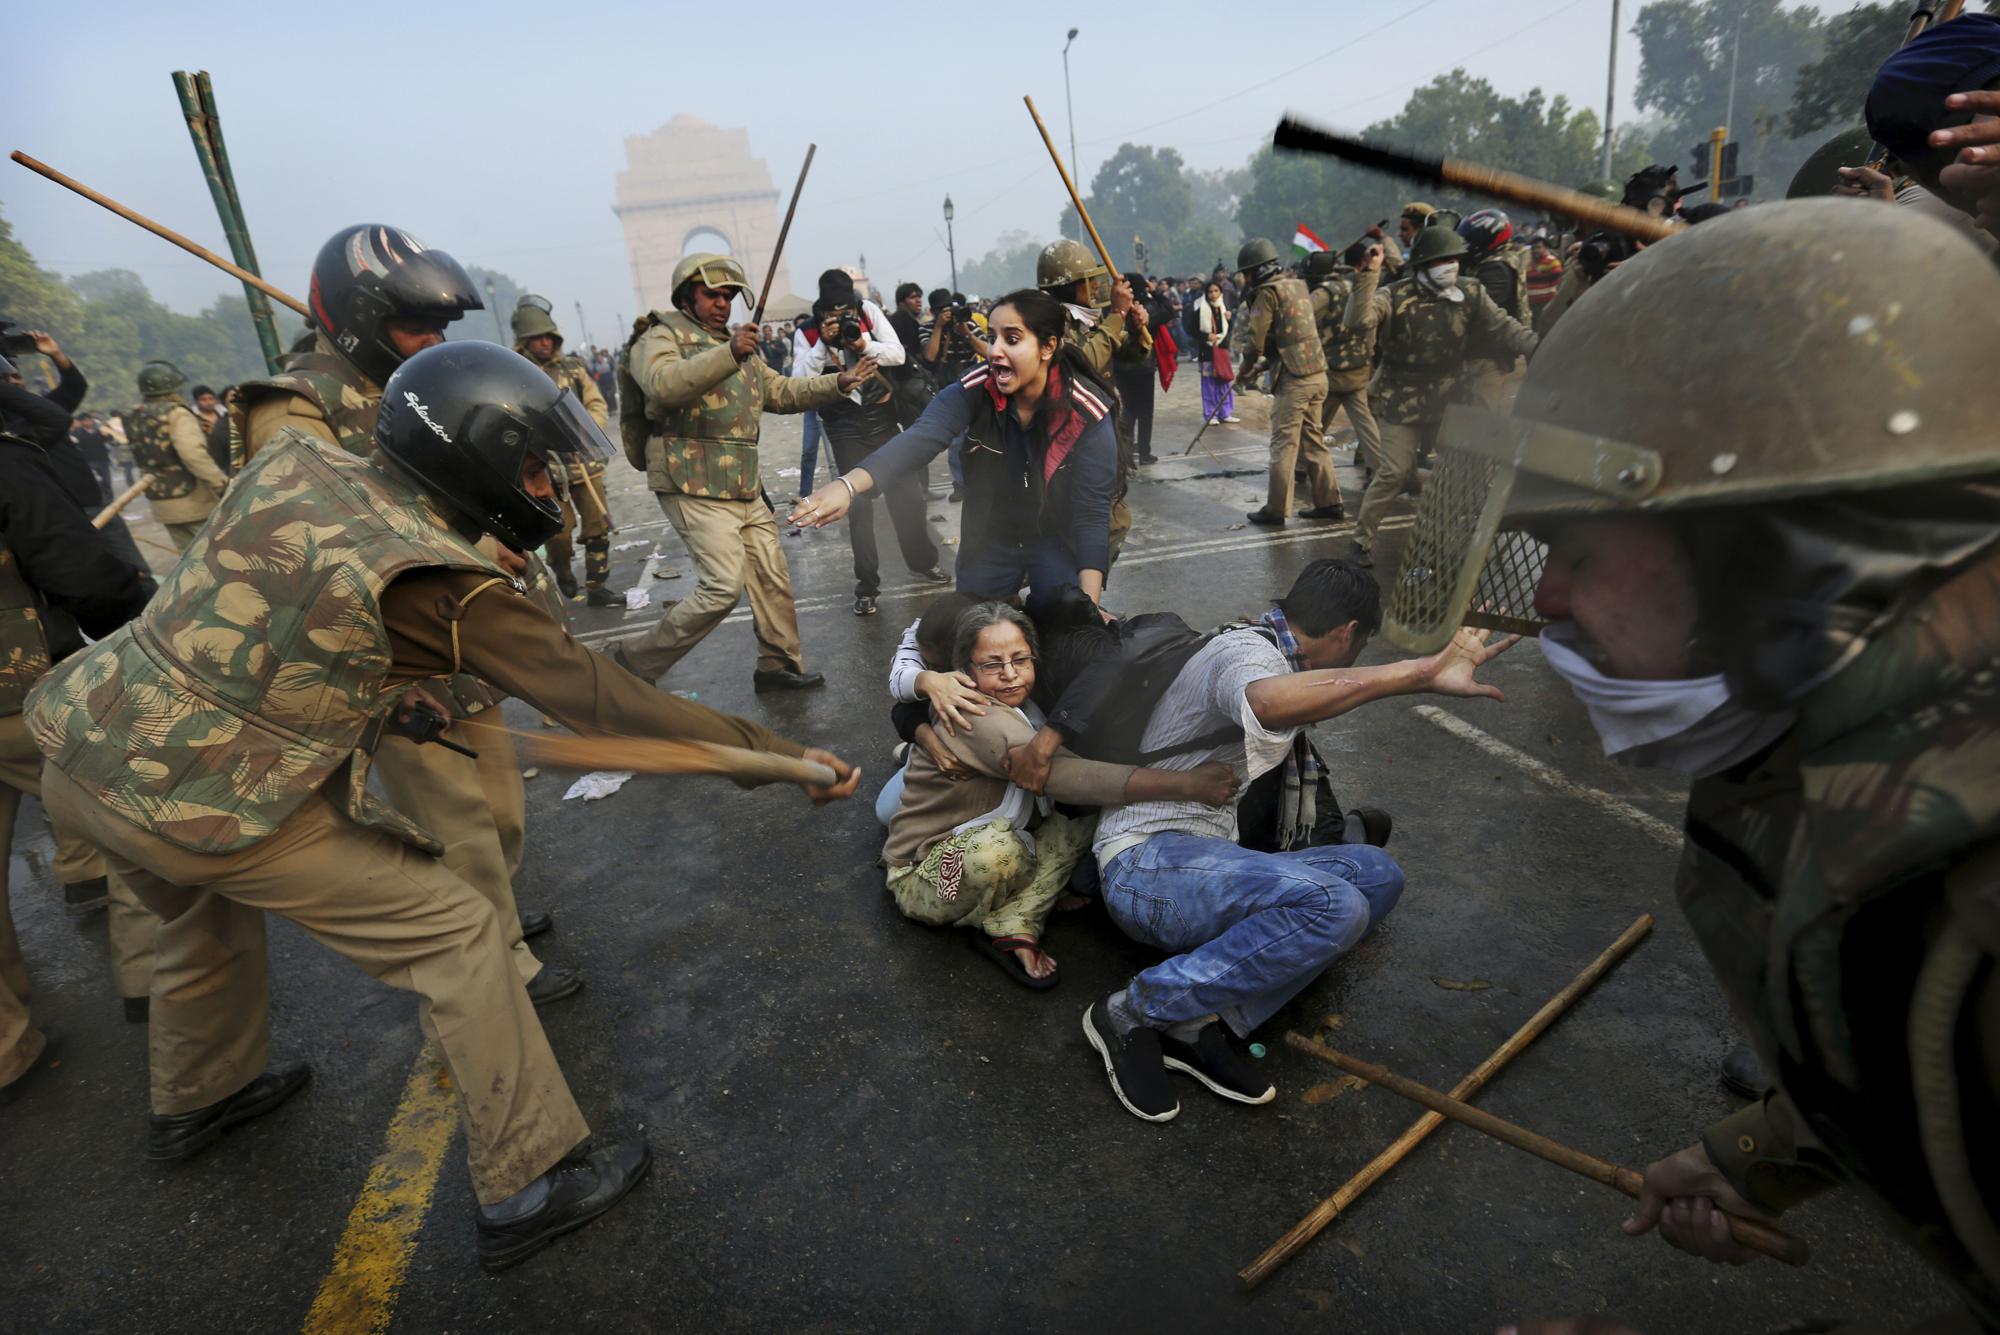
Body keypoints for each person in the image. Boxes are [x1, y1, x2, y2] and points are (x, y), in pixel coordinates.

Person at [27, 342, 861, 1269]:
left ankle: (199, 1091)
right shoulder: (437, 578)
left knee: (196, 914)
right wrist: (772, 757)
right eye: (535, 462)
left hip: (88, 745)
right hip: (203, 792)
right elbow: (605, 702)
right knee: (459, 933)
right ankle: (529, 1180)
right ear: (477, 456)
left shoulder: (298, 460)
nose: (546, 481)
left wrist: (384, 688)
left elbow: (272, 614)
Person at [1407, 200, 2000, 1334]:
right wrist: (1761, 1155)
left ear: (1776, 551)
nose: (1546, 601)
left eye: (1578, 550)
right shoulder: (1831, 742)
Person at [230, 224, 573, 1004]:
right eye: (416, 324)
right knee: (457, 822)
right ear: (356, 315)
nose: (433, 340)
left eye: (442, 326)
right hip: (393, 653)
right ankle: (501, 966)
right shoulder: (296, 409)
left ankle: (499, 915)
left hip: (466, 632)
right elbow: (298, 546)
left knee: (501, 810)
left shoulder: (412, 381)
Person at [1080, 559, 1510, 1122]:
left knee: (1378, 875)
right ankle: (1134, 1011)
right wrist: (1419, 673)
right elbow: (1267, 702)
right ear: (1346, 633)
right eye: (1359, 646)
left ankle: (1200, 1018)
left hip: (1203, 859)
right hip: (1145, 866)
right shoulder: (1246, 652)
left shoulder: (1274, 650)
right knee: (1334, 905)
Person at [884, 601, 1237, 988]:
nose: (1010, 675)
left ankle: (1012, 915)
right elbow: (1062, 773)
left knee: (1083, 826)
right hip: (924, 873)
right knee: (995, 854)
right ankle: (989, 912)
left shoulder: (1027, 704)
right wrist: (1186, 784)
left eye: (1020, 659)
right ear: (965, 670)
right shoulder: (972, 714)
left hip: (1004, 833)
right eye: (991, 665)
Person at [610, 254, 874, 690]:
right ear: (685, 295)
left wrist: (837, 384)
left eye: (729, 295)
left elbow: (781, 392)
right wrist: (729, 352)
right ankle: (631, 662)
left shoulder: (739, 345)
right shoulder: (660, 337)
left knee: (772, 577)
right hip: (690, 478)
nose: (722, 303)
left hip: (743, 482)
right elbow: (663, 384)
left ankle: (778, 664)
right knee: (722, 587)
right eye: (711, 294)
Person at [2, 426, 160, 1088]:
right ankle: (157, 981)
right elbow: (77, 566)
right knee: (131, 811)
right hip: (19, 689)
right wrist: (141, 610)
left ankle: (6, 1047)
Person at [789, 287, 1117, 604]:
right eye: (993, 338)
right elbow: (919, 438)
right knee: (973, 633)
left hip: (1055, 537)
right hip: (990, 538)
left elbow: (1091, 514)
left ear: (1047, 347)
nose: (993, 351)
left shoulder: (1085, 410)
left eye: (1011, 340)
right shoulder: (977, 387)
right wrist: (847, 485)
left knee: (1067, 624)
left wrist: (1087, 610)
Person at [1343, 224, 1537, 569]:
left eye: (1454, 259)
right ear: (1422, 264)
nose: (1450, 266)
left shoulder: (1470, 292)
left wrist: (1539, 348)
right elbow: (1358, 321)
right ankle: (1361, 540)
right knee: (1394, 472)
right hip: (1401, 397)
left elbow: (1504, 326)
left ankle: (1451, 544)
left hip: (1448, 396)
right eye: (1441, 260)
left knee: (1461, 472)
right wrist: (1368, 275)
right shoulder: (1395, 294)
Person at [797, 269, 947, 615]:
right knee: (857, 506)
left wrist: (863, 343)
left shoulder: (867, 312)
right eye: (833, 314)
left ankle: (923, 561)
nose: (841, 317)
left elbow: (896, 353)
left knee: (908, 495)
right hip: (843, 424)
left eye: (845, 310)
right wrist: (823, 342)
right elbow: (798, 379)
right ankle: (867, 585)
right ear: (821, 311)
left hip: (881, 417)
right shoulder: (807, 331)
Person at [512, 294, 617, 606]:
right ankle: (564, 572)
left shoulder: (574, 368)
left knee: (598, 527)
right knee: (559, 534)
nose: (544, 343)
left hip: (584, 462)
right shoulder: (516, 373)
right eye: (537, 338)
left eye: (548, 337)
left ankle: (597, 586)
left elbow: (595, 403)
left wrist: (585, 430)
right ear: (525, 341)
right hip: (547, 469)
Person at [1231, 237, 1339, 528]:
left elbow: (1255, 341)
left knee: (1283, 443)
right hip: (1317, 373)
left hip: (1295, 380)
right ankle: (1330, 502)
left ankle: (1276, 509)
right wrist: (1262, 367)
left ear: (1254, 271)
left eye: (1246, 273)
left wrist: (1246, 367)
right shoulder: (1298, 285)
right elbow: (1293, 337)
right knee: (1313, 439)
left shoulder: (1266, 293)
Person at [127, 360, 230, 551]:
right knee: (218, 556)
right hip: (192, 500)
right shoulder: (177, 414)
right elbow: (193, 455)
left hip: (161, 499)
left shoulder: (134, 415)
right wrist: (221, 484)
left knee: (189, 561)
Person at [1304, 244, 1382, 487]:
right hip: (1358, 367)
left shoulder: (1325, 292)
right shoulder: (1362, 289)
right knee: (1365, 423)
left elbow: (1304, 321)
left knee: (1314, 424)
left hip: (1330, 370)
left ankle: (1298, 466)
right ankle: (1379, 468)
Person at [1456, 209, 1534, 413]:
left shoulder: (1496, 269)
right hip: (1487, 355)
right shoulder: (1496, 261)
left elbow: (1473, 310)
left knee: (1481, 419)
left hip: (1492, 359)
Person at [1195, 282, 1237, 424]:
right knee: (1209, 384)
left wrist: (1230, 320)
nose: (1213, 294)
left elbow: (1228, 330)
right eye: (1210, 291)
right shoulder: (1200, 309)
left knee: (1224, 381)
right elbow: (1191, 329)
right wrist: (1206, 336)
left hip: (1222, 350)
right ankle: (1210, 414)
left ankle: (1225, 413)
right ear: (1206, 293)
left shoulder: (1223, 307)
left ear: (1220, 292)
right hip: (1207, 353)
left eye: (1216, 291)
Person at [68, 412, 115, 499]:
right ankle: (103, 500)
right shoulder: (77, 433)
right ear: (81, 422)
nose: (88, 422)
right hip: (89, 461)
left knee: (106, 481)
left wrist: (107, 435)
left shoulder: (99, 430)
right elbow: (73, 444)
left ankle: (110, 499)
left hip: (103, 459)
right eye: (85, 421)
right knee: (97, 482)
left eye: (89, 420)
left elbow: (110, 439)